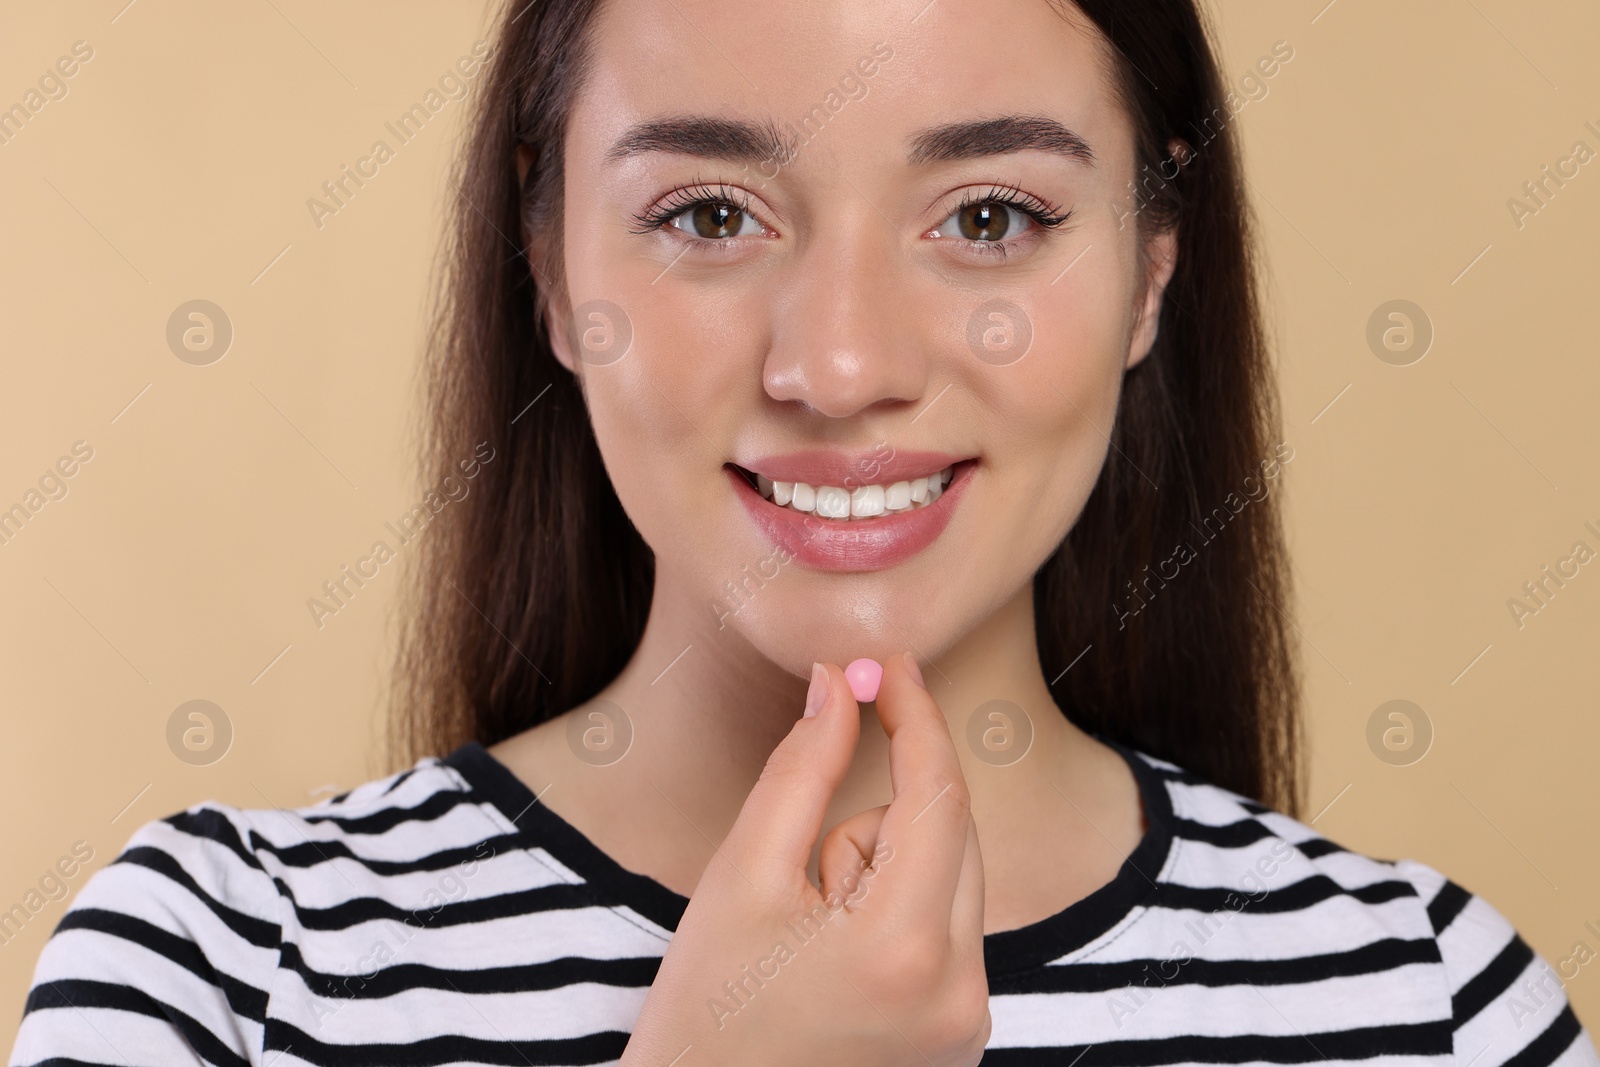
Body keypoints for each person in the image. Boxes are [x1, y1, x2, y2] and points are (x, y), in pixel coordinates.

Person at [11, 0, 1593, 1064]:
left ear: (1151, 277)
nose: (840, 367)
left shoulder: (1437, 1006)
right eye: (709, 214)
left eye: (990, 219)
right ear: (553, 269)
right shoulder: (220, 975)